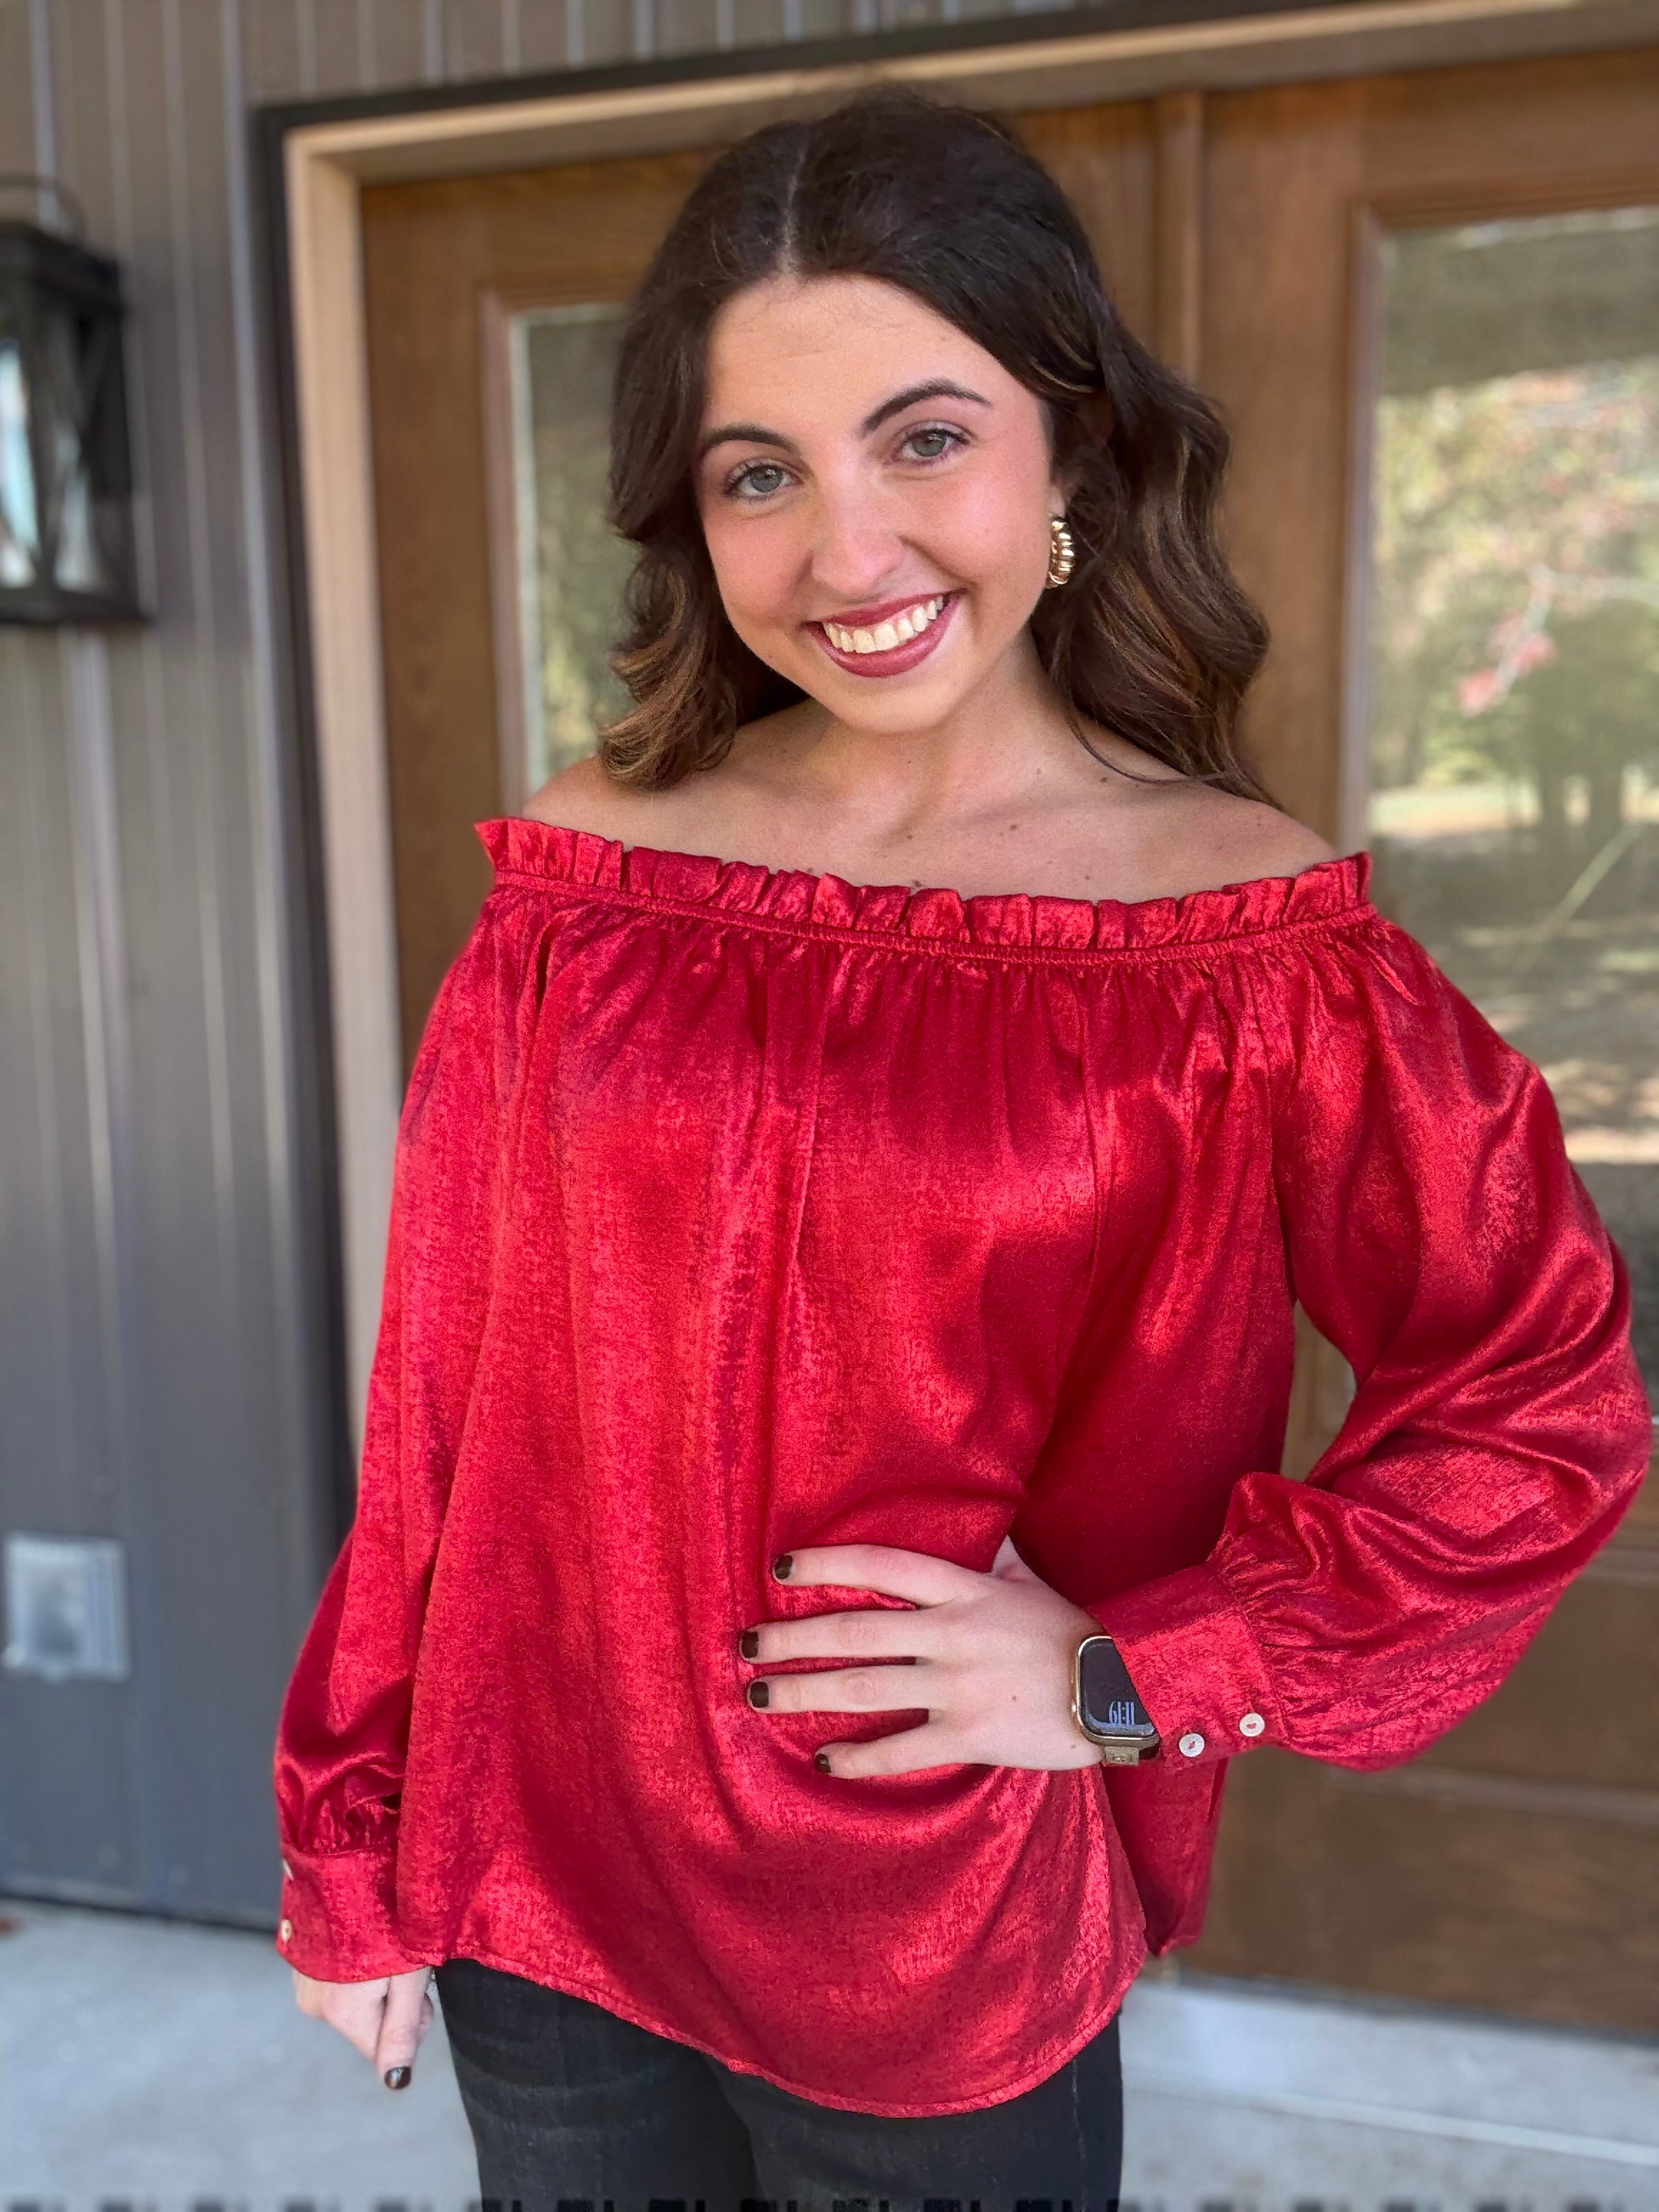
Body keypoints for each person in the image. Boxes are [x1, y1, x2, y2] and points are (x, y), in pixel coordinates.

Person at [272, 88, 1653, 2212]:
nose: (848, 553)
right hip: (532, 1865)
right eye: (762, 473)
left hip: (928, 1929)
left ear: (1070, 448)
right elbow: (452, 1396)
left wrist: (1127, 1681)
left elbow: (1532, 1404)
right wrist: (357, 1829)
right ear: (689, 512)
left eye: (923, 437)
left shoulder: (1242, 942)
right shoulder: (585, 872)